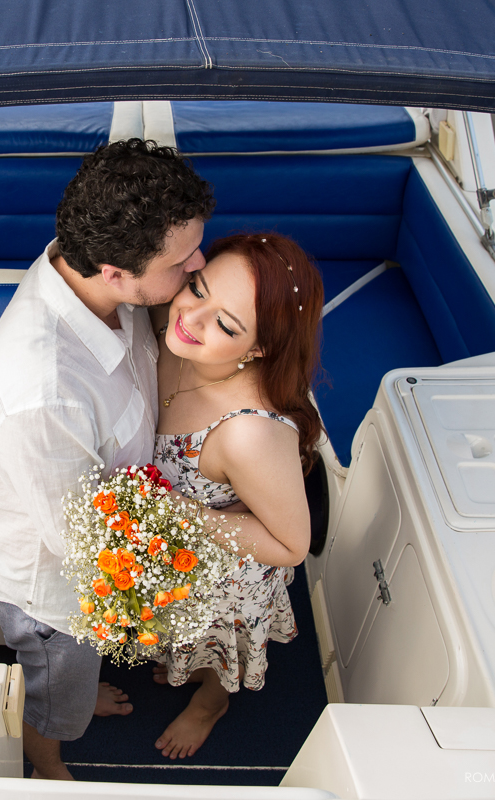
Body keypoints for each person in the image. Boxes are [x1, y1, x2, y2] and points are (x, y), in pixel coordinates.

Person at [0, 138, 215, 781]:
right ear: (114, 272)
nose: (200, 263)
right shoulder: (43, 392)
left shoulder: (91, 275)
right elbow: (83, 543)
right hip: (54, 589)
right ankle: (47, 760)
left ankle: (80, 695)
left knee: (80, 676)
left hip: (99, 538)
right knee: (57, 689)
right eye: (183, 259)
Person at [149, 232, 323, 760]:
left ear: (260, 348)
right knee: (177, 636)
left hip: (227, 568)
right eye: (197, 288)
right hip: (174, 550)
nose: (192, 318)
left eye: (226, 324)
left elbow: (292, 544)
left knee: (215, 643)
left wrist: (181, 514)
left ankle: (211, 702)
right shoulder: (170, 326)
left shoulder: (249, 432)